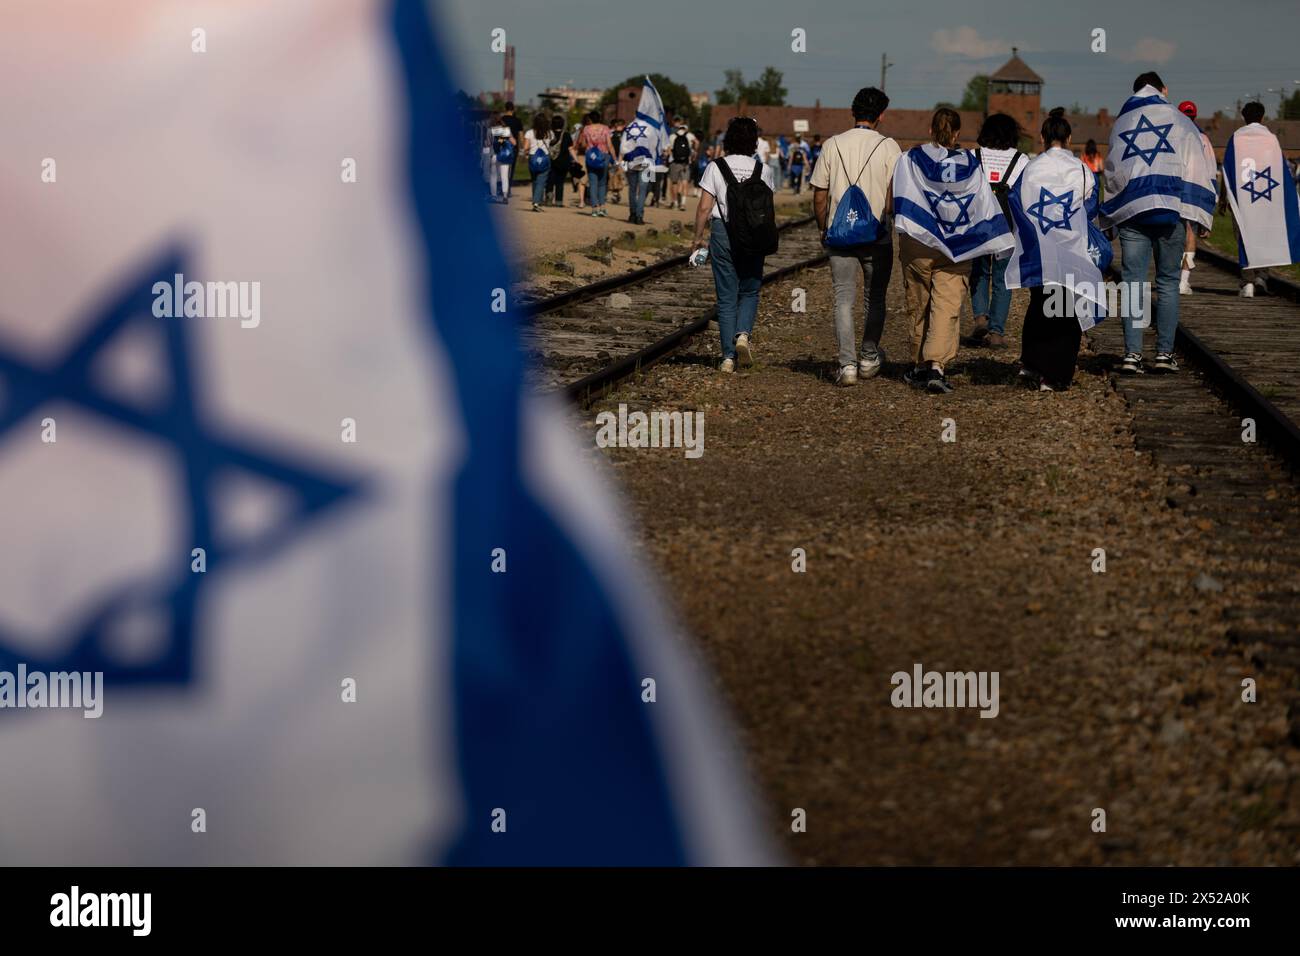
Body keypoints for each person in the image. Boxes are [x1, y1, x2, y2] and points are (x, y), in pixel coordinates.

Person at [892, 108, 1014, 393]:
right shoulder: (971, 165)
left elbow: (899, 194)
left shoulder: (909, 158)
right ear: (957, 134)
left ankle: (918, 364)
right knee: (946, 306)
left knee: (918, 303)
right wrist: (992, 237)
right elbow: (983, 202)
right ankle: (937, 365)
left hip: (919, 240)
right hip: (956, 247)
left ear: (931, 130)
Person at [1101, 72, 1215, 375]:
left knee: (1133, 284)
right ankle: (1165, 353)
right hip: (1170, 212)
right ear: (1163, 89)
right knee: (1167, 284)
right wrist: (1198, 210)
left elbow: (1113, 169)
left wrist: (1111, 215)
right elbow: (1195, 163)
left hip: (1133, 214)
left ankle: (1132, 354)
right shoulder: (1179, 120)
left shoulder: (1122, 122)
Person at [1005, 109, 1106, 391]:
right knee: (1066, 310)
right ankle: (1055, 374)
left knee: (1039, 303)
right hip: (1072, 247)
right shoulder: (1082, 170)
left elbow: (1019, 205)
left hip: (1040, 247)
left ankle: (1032, 364)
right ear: (1070, 138)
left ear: (1042, 138)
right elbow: (1090, 209)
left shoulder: (1031, 168)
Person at [809, 86, 901, 386]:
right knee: (875, 299)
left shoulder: (832, 145)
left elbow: (820, 195)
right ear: (881, 116)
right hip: (876, 236)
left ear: (853, 112)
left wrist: (824, 227)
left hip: (840, 236)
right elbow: (892, 200)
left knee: (842, 300)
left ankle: (846, 365)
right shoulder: (889, 147)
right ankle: (868, 355)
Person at [690, 117, 777, 373]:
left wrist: (697, 238)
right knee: (750, 290)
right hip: (754, 236)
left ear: (727, 139)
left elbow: (704, 207)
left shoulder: (715, 167)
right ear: (754, 142)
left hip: (723, 234)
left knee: (726, 297)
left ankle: (727, 358)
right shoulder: (764, 170)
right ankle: (743, 335)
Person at [1224, 102, 1300, 296]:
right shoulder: (1271, 139)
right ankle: (1262, 278)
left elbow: (1227, 171)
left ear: (1243, 117)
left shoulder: (1236, 139)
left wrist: (1224, 199)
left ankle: (1247, 281)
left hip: (1243, 196)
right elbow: (1281, 171)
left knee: (1245, 237)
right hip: (1268, 196)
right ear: (1263, 117)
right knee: (1267, 236)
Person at [968, 113, 1029, 350]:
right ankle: (996, 332)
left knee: (979, 273)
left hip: (980, 224)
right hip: (1007, 227)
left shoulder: (974, 155)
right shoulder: (1021, 159)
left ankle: (980, 318)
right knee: (1003, 279)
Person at [1175, 100, 1219, 294]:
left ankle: (1170, 277)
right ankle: (1183, 281)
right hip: (1195, 191)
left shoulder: (1172, 135)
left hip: (1173, 189)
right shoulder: (1204, 139)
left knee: (1171, 235)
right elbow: (1211, 171)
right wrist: (1211, 204)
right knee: (1190, 234)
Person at [576, 110, 614, 217]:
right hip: (603, 157)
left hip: (591, 158)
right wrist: (614, 157)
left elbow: (583, 144)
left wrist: (589, 144)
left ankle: (594, 209)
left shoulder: (586, 129)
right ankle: (602, 208)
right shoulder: (606, 128)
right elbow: (609, 144)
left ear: (590, 119)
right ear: (600, 118)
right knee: (602, 184)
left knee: (593, 184)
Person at [523, 111, 554, 213]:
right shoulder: (550, 133)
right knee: (541, 181)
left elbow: (526, 147)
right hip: (545, 158)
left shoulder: (529, 132)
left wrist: (526, 153)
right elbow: (552, 142)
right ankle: (537, 202)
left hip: (532, 158)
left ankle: (536, 201)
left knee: (535, 180)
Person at [667, 118, 697, 211]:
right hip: (686, 163)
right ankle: (683, 204)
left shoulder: (672, 136)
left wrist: (672, 156)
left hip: (675, 162)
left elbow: (668, 149)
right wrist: (694, 152)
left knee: (674, 183)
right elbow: (697, 142)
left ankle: (675, 202)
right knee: (685, 182)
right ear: (685, 129)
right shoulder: (690, 135)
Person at [545, 113, 573, 207]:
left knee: (550, 180)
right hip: (563, 162)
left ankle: (549, 196)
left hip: (550, 160)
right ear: (562, 124)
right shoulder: (566, 135)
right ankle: (558, 201)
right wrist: (575, 160)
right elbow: (570, 148)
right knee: (560, 182)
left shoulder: (549, 134)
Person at [488, 114, 516, 204]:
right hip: (504, 155)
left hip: (494, 155)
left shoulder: (490, 130)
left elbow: (488, 143)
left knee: (493, 176)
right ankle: (504, 196)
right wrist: (504, 139)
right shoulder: (506, 130)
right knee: (504, 176)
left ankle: (493, 196)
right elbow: (514, 143)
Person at [500, 101, 523, 199]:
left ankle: (501, 189)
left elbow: (498, 134)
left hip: (502, 146)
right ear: (513, 109)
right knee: (511, 169)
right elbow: (521, 136)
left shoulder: (501, 120)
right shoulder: (518, 120)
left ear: (505, 109)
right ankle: (508, 189)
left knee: (501, 169)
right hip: (514, 147)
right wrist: (521, 146)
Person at [608, 118, 627, 206]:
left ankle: (615, 193)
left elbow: (609, 148)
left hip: (613, 159)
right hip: (623, 159)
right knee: (620, 177)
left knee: (613, 177)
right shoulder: (626, 135)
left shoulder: (611, 135)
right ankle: (616, 193)